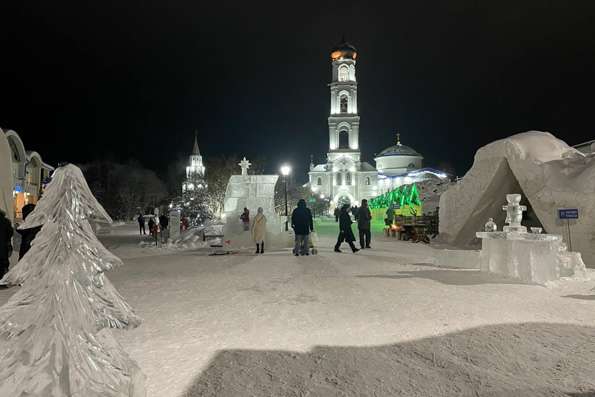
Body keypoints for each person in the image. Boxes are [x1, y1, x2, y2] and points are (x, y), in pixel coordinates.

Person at [0, 209, 13, 280]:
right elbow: (10, 233)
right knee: (3, 262)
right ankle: (2, 279)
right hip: (3, 246)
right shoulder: (6, 221)